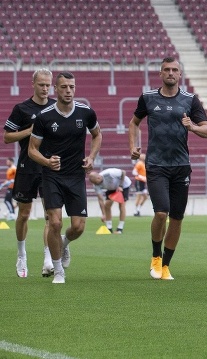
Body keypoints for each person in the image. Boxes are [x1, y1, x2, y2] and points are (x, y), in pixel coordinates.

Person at [129, 57, 207, 281]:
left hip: (181, 166)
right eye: (167, 69)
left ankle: (166, 265)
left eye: (175, 70)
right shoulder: (147, 98)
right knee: (161, 212)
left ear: (180, 74)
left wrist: (192, 126)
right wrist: (133, 146)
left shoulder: (190, 100)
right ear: (160, 73)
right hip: (156, 164)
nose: (171, 73)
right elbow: (134, 122)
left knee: (176, 217)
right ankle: (156, 256)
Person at [28, 72, 101, 284]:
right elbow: (32, 149)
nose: (68, 91)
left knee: (78, 227)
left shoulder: (86, 112)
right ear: (55, 89)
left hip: (76, 175)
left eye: (71, 87)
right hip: (51, 176)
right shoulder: (44, 117)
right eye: (63, 87)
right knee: (55, 221)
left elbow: (97, 135)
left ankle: (63, 243)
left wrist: (91, 157)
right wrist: (47, 162)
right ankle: (58, 271)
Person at [5, 68, 55, 278]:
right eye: (41, 84)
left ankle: (48, 259)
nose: (45, 88)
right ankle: (21, 254)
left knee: (51, 216)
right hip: (27, 167)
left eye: (47, 85)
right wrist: (31, 129)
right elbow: (7, 137)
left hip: (49, 167)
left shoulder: (56, 106)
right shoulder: (22, 108)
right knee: (24, 214)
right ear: (33, 84)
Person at [88, 167, 131, 233]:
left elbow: (123, 172)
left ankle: (120, 228)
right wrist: (103, 214)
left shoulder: (109, 173)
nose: (97, 185)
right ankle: (109, 228)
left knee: (121, 205)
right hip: (111, 188)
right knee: (106, 206)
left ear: (99, 178)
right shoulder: (95, 185)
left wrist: (120, 186)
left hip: (123, 185)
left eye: (96, 183)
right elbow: (100, 199)